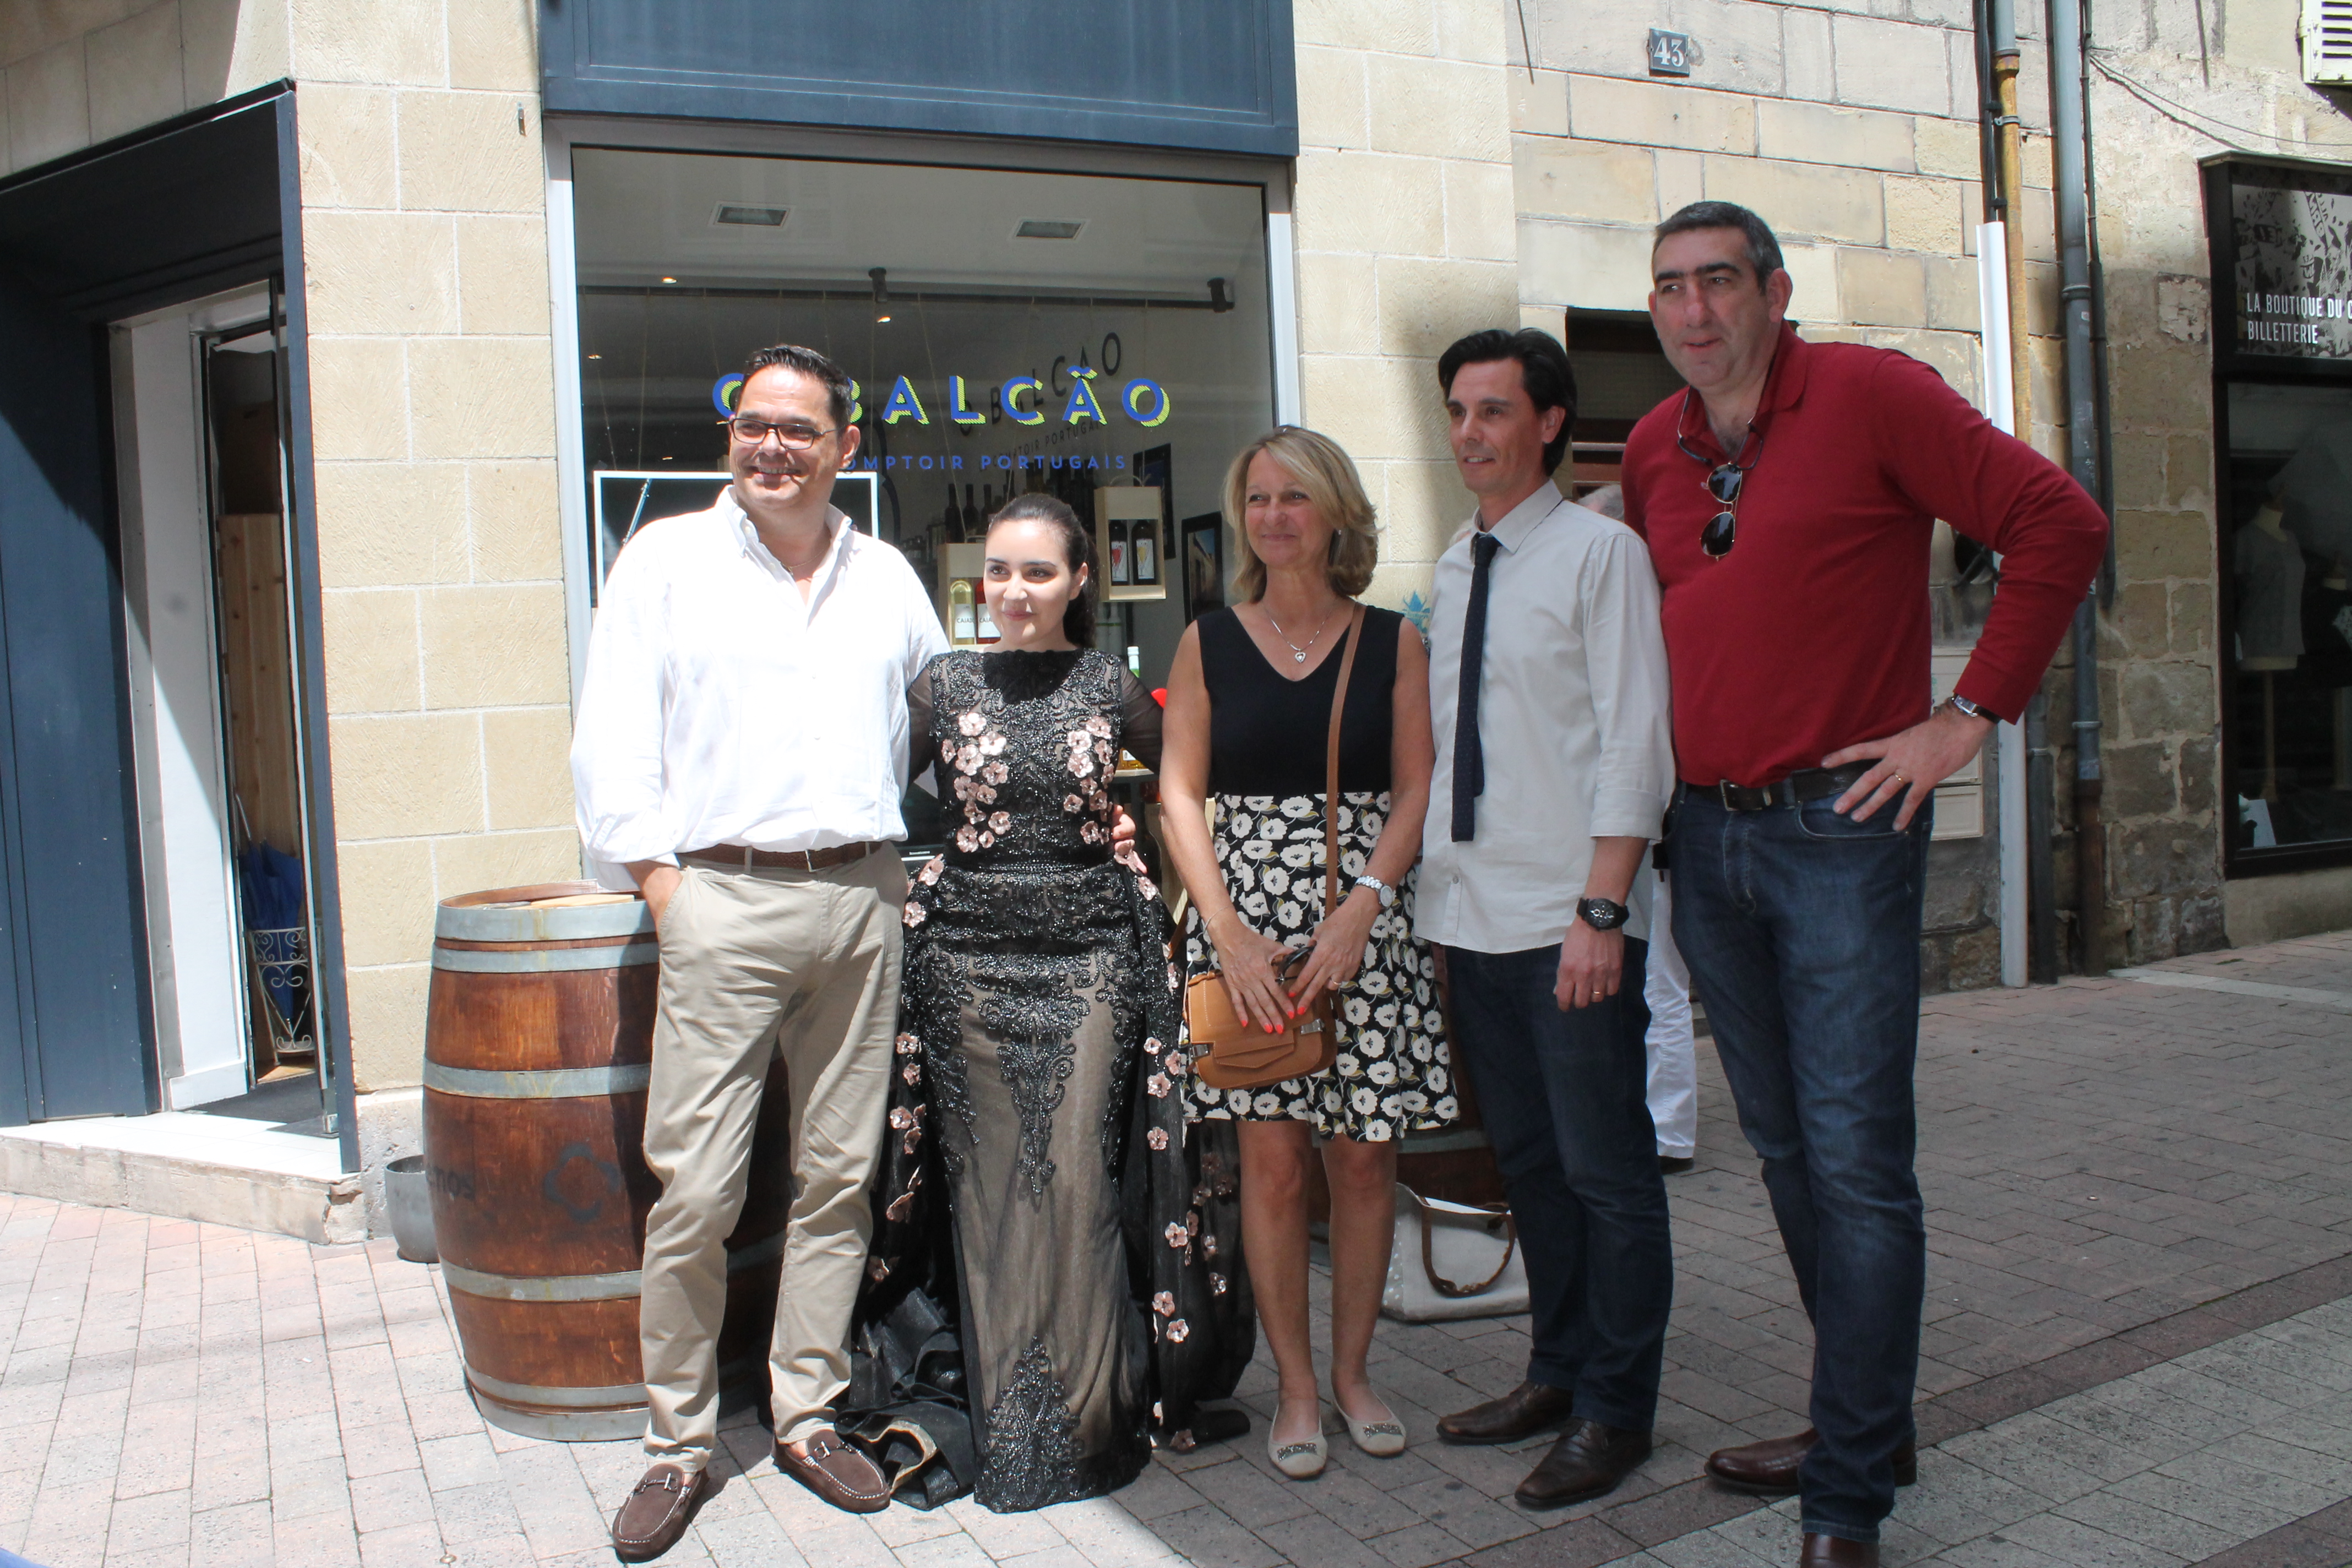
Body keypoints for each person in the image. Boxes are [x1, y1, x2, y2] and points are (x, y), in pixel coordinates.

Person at [1623, 202, 2108, 1568]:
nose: (1694, 309)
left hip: (1838, 828)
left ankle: (1844, 1497)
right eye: (1670, 287)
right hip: (1705, 834)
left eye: (1720, 281)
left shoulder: (1871, 395)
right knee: (1784, 1150)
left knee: (1854, 1159)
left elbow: (2059, 522)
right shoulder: (1655, 447)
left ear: (1776, 292)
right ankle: (1865, 1417)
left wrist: (1966, 715)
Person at [571, 343, 946, 1560]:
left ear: (846, 447)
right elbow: (611, 734)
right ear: (730, 433)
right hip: (720, 895)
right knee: (698, 1187)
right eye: (752, 424)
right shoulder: (666, 559)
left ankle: (806, 1413)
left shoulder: (887, 576)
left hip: (862, 898)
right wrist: (664, 887)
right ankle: (678, 1443)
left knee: (837, 1177)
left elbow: (946, 722)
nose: (771, 446)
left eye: (798, 429)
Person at [857, 494, 1253, 1511]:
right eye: (998, 571)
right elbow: (865, 793)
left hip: (1090, 959)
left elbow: (1189, 787)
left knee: (1073, 1179)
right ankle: (1005, 1415)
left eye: (1037, 572)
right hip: (965, 959)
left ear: (1080, 579)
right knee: (990, 1189)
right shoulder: (943, 682)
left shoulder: (1110, 684)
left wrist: (1138, 836)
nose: (1013, 591)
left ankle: (1084, 1417)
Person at [1159, 426, 1453, 1480]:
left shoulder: (1391, 642)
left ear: (1335, 512)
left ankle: (1354, 1373)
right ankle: (1293, 1386)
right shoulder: (1208, 639)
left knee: (1365, 1157)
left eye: (1293, 496)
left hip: (1358, 925)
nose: (1273, 515)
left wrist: (1365, 903)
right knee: (1273, 1167)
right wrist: (1226, 931)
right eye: (1257, 498)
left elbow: (1415, 786)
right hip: (1248, 936)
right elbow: (1177, 792)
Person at [1418, 329, 1677, 1510]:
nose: (1469, 432)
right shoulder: (1456, 562)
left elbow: (1636, 737)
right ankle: (1557, 1372)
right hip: (1474, 917)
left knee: (1606, 1172)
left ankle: (1617, 1409)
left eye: (1493, 410)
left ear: (1550, 422)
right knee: (1527, 1165)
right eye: (1457, 411)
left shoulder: (1599, 553)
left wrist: (1602, 908)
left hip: (1571, 919)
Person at [1579, 483, 1698, 1175]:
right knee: (1656, 976)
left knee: (1661, 978)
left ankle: (1669, 1132)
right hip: (1644, 825)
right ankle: (1661, 1124)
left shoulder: (1648, 611)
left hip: (1658, 828)